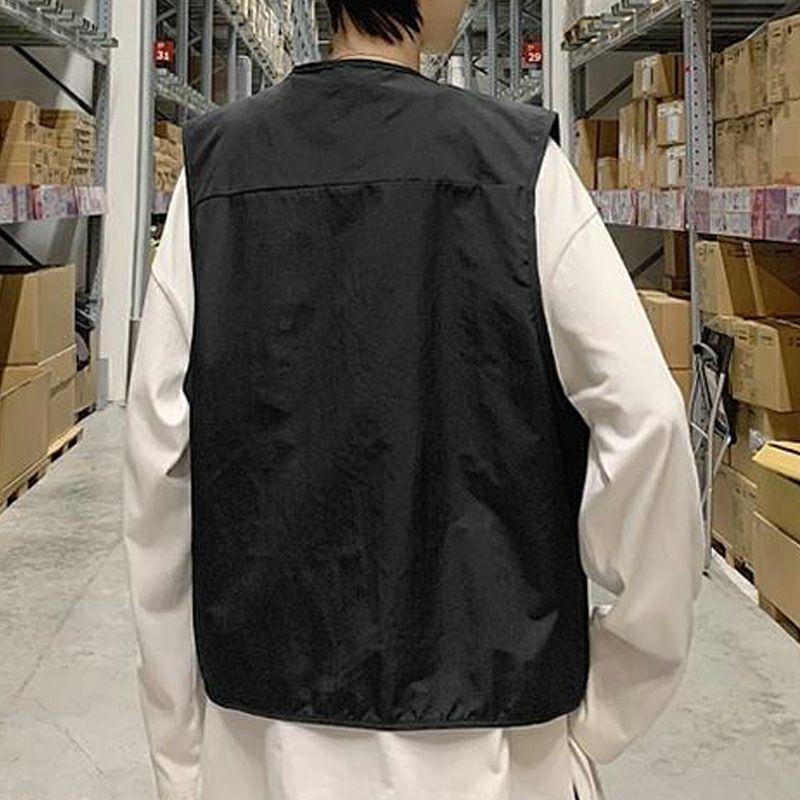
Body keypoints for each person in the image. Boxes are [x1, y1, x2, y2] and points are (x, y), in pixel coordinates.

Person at [123, 1, 704, 798]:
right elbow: (650, 422)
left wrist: (181, 750)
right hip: (492, 741)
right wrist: (616, 698)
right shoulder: (519, 167)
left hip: (266, 734)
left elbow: (157, 472)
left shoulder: (217, 170)